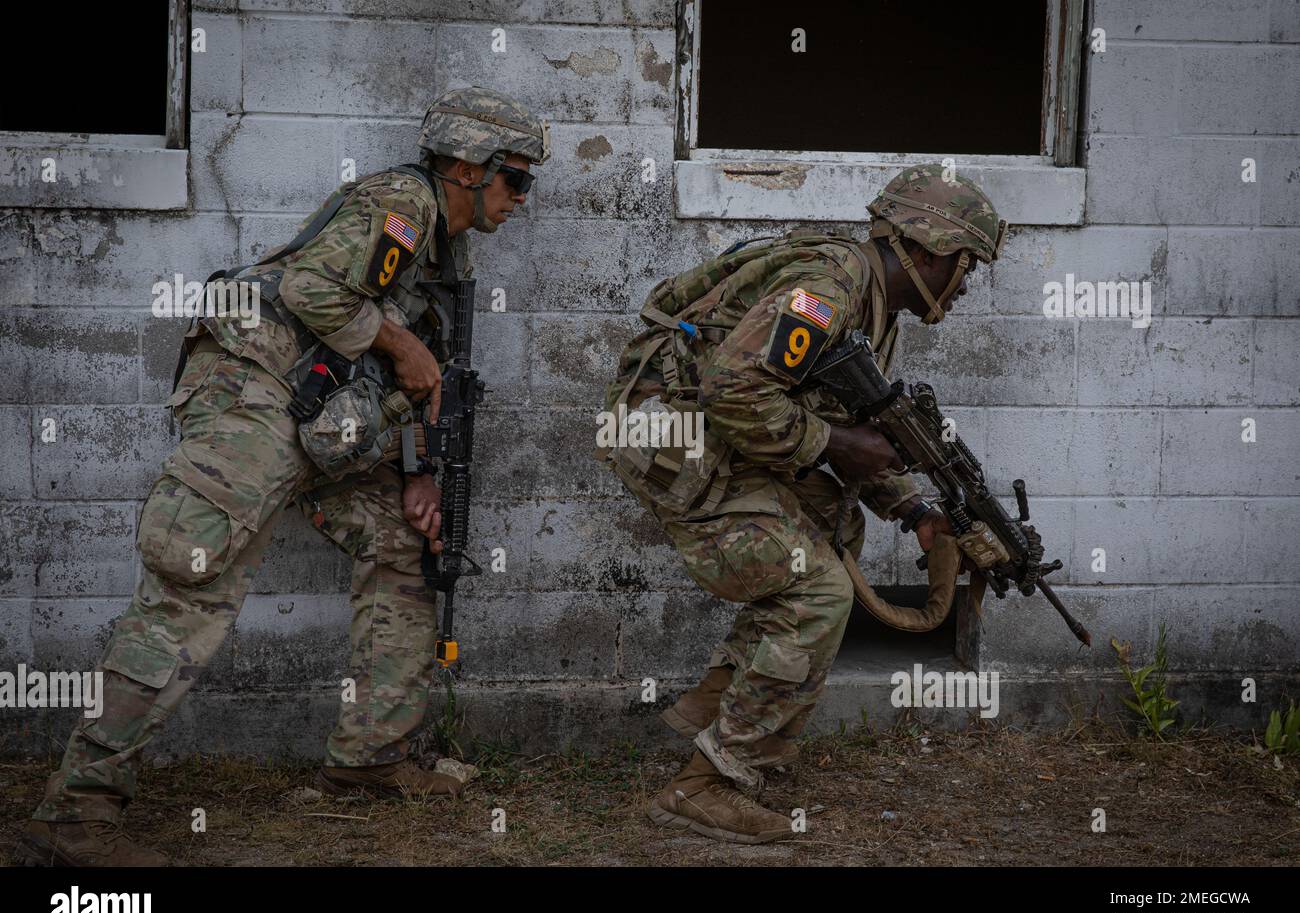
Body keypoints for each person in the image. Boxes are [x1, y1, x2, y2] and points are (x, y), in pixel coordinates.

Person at [15, 87, 549, 867]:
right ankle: (76, 812)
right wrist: (403, 349)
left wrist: (417, 472)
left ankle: (367, 761)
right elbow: (312, 291)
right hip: (255, 395)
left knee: (406, 546)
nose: (520, 200)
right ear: (469, 167)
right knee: (192, 579)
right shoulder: (403, 203)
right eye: (517, 180)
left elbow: (412, 378)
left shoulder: (446, 254)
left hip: (327, 422)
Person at [599, 163, 1007, 844]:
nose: (965, 286)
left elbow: (842, 426)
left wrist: (912, 511)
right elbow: (735, 391)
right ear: (932, 250)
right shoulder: (829, 288)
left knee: (828, 521)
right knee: (818, 589)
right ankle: (707, 784)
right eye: (966, 267)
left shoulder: (872, 305)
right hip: (670, 436)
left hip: (711, 435)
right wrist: (833, 443)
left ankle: (718, 705)